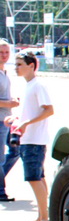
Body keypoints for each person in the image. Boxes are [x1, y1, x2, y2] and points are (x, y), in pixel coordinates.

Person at [8, 52, 53, 221]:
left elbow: (49, 110)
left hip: (34, 139)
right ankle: (42, 216)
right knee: (38, 177)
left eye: (19, 64)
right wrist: (17, 119)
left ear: (31, 65)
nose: (16, 67)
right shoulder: (28, 86)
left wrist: (26, 123)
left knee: (34, 178)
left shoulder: (37, 85)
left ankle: (44, 218)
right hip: (29, 138)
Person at [0, 42, 20, 202]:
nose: (4, 55)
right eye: (1, 52)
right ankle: (1, 191)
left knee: (15, 151)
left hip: (7, 119)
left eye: (6, 52)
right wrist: (10, 103)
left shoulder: (5, 72)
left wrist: (12, 102)